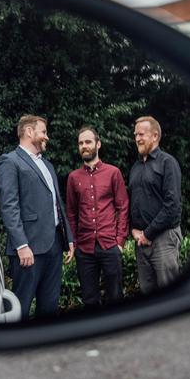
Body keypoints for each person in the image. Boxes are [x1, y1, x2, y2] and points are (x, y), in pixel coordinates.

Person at [0, 114, 75, 319]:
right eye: (43, 132)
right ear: (29, 132)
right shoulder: (10, 161)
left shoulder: (47, 165)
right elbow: (9, 206)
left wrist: (68, 238)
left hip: (54, 246)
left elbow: (57, 203)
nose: (46, 137)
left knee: (49, 306)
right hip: (28, 249)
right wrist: (22, 245)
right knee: (21, 306)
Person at [66, 126, 129, 307]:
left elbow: (123, 206)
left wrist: (120, 241)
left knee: (115, 296)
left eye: (88, 142)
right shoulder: (73, 178)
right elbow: (71, 213)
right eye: (80, 143)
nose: (84, 146)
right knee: (89, 299)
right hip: (84, 249)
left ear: (98, 144)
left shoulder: (113, 173)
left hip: (110, 245)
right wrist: (75, 243)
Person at [129, 116, 182, 294]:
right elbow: (132, 202)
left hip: (163, 240)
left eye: (141, 134)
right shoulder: (135, 167)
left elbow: (172, 207)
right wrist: (133, 229)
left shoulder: (168, 163)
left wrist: (148, 233)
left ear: (155, 136)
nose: (137, 138)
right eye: (135, 134)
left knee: (170, 297)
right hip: (141, 243)